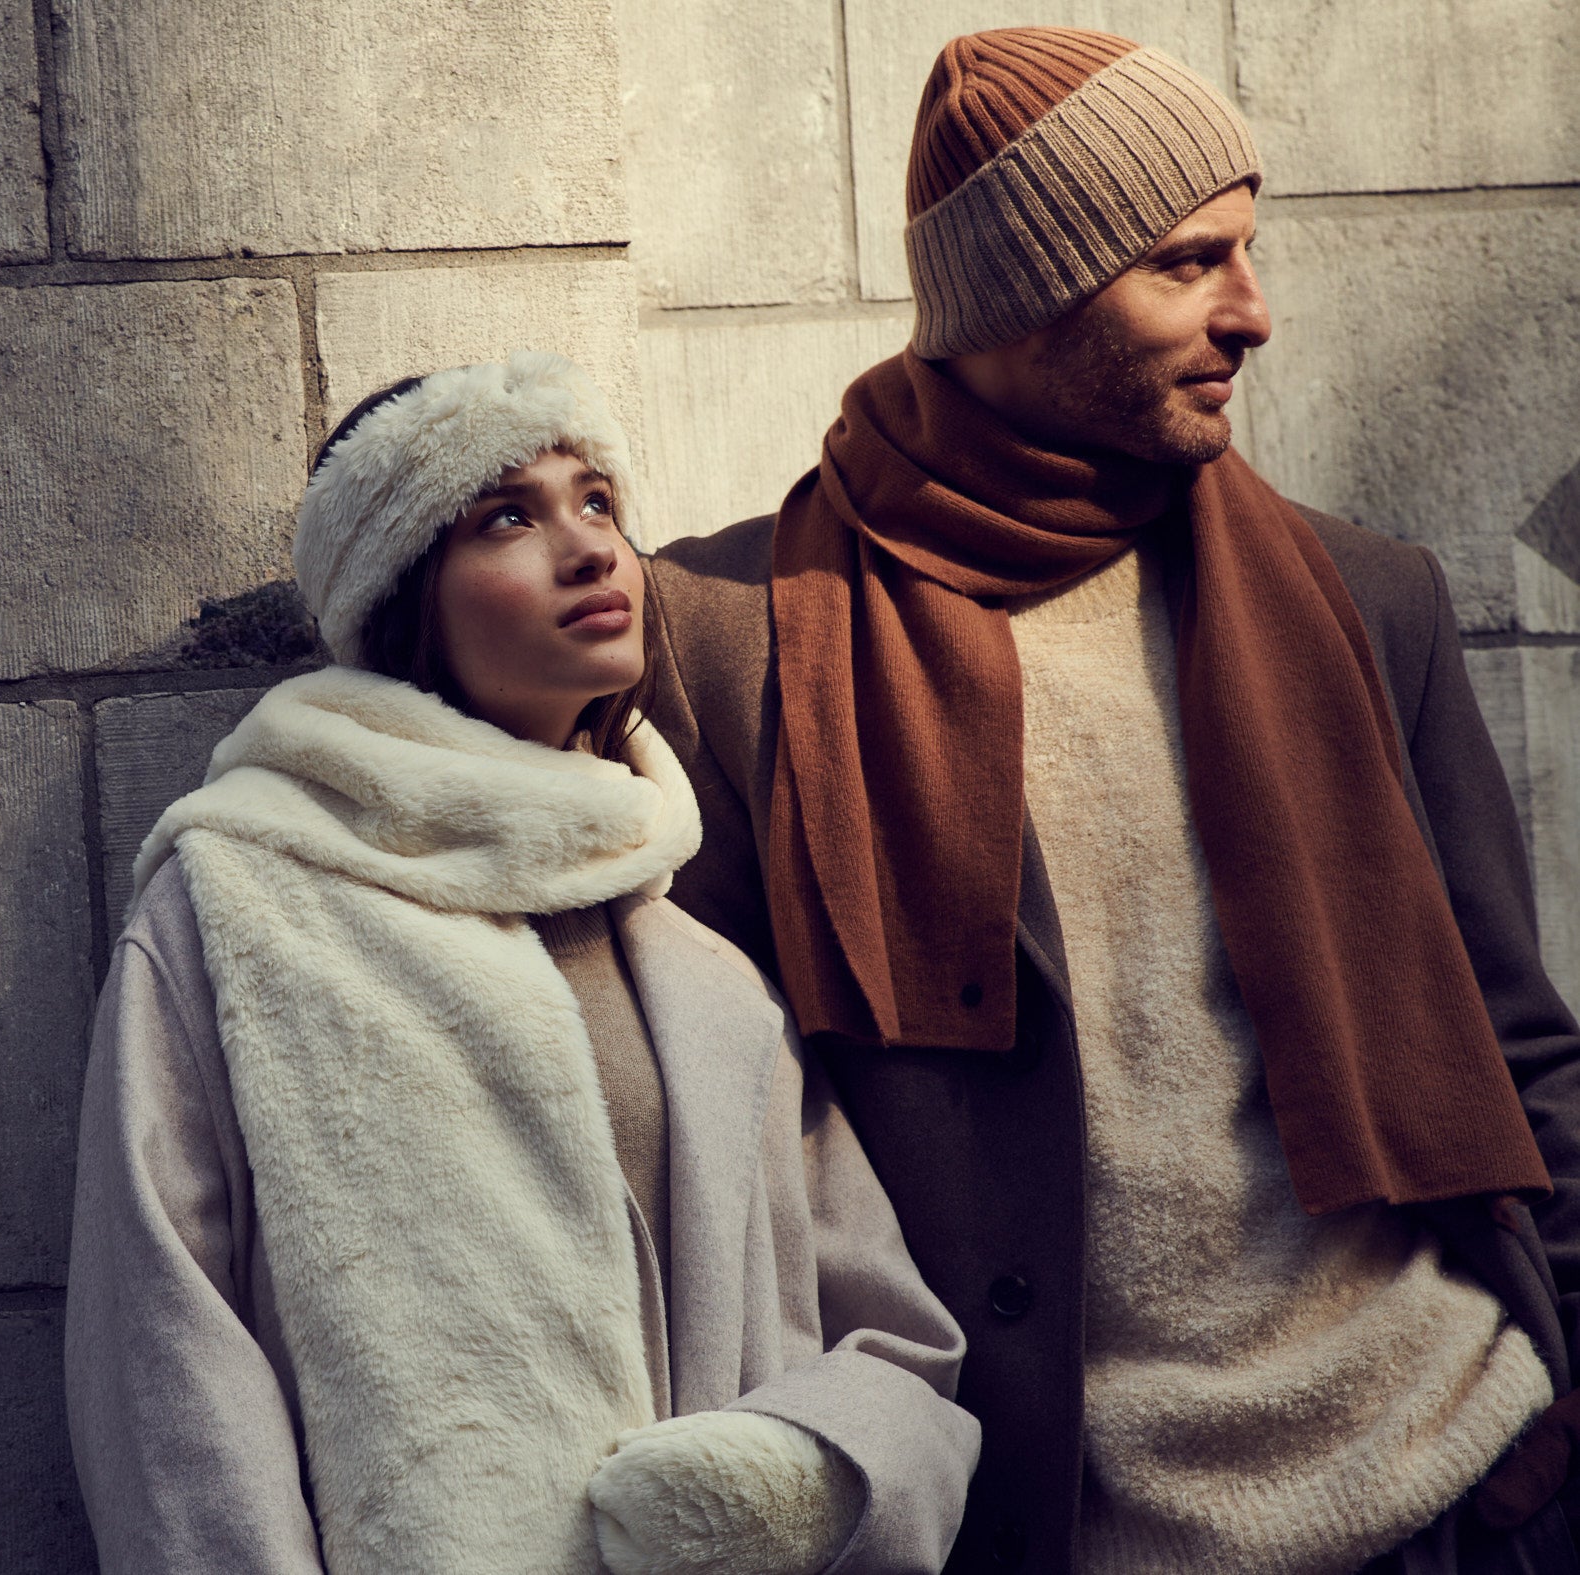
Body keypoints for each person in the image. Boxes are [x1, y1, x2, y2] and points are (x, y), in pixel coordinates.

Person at [641, 26, 1580, 1575]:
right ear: (1025, 290)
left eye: (1245, 253)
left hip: (1450, 1485)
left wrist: (1561, 1403)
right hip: (1047, 1527)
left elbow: (1516, 1037)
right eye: (1185, 264)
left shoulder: (1362, 599)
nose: (1252, 312)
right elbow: (715, 1145)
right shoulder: (741, 639)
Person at [64, 351, 980, 1575]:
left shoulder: (701, 976)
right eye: (508, 516)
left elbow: (899, 1350)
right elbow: (163, 1366)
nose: (591, 547)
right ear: (402, 597)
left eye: (596, 500)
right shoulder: (238, 904)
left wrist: (772, 1488)